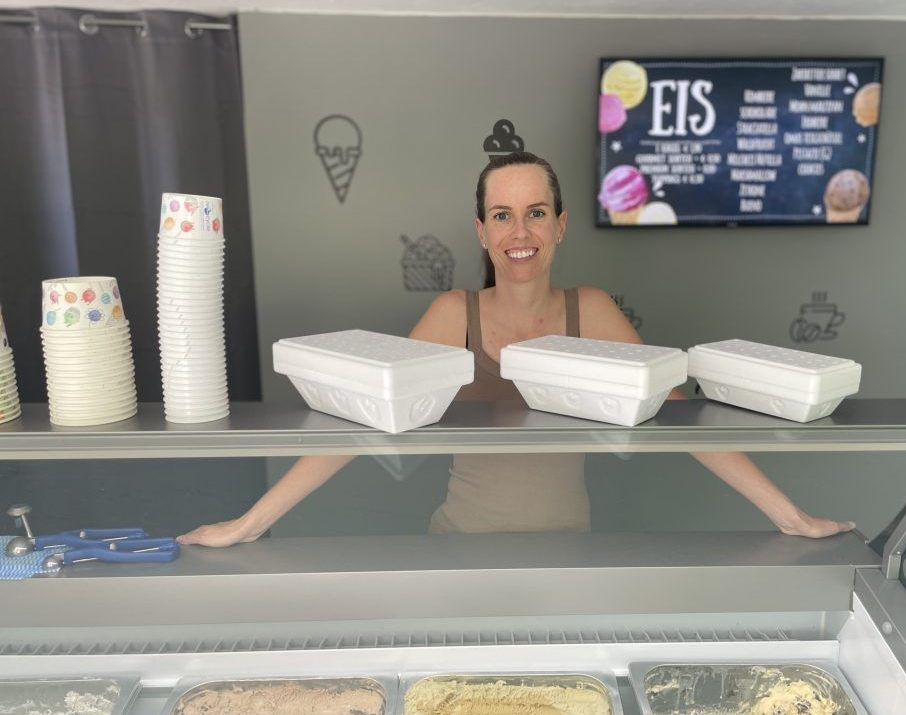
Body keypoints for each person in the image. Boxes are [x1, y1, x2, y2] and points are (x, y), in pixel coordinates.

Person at [178, 152, 854, 547]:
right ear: (482, 231)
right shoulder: (454, 314)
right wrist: (250, 523)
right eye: (502, 215)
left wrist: (788, 515)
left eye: (536, 213)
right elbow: (361, 423)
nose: (519, 231)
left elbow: (681, 417)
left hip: (570, 546)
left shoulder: (591, 310)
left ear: (559, 225)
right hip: (458, 547)